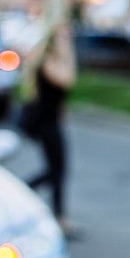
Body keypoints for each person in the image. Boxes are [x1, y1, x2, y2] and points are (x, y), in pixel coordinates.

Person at [24, 20, 79, 238]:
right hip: (43, 123)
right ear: (52, 39)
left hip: (52, 122)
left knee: (57, 170)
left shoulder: (57, 60)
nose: (66, 41)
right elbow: (67, 81)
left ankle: (56, 212)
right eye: (62, 37)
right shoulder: (48, 61)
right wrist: (69, 53)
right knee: (57, 169)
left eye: (68, 37)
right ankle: (56, 214)